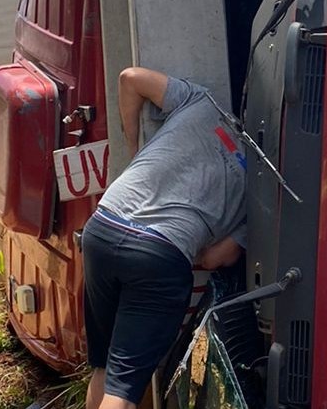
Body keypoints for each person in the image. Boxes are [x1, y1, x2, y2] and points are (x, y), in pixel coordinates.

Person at [84, 67, 247, 409]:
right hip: (160, 254)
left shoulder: (201, 101)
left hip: (104, 224)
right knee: (123, 388)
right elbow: (217, 259)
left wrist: (133, 148)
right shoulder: (258, 190)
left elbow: (129, 78)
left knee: (104, 366)